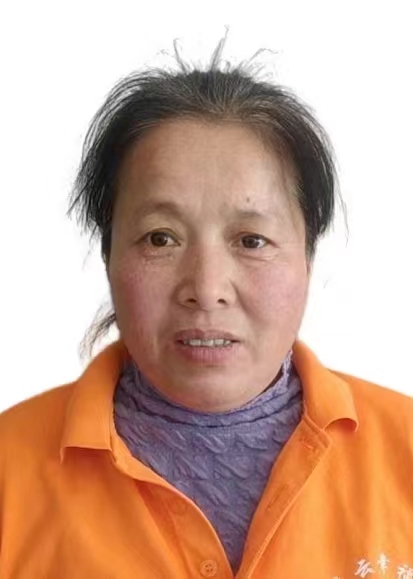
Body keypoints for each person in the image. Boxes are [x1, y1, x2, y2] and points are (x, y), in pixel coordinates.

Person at [1, 39, 413, 579]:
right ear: (107, 254)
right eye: (160, 238)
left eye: (251, 240)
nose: (207, 288)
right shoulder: (9, 470)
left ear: (308, 256)